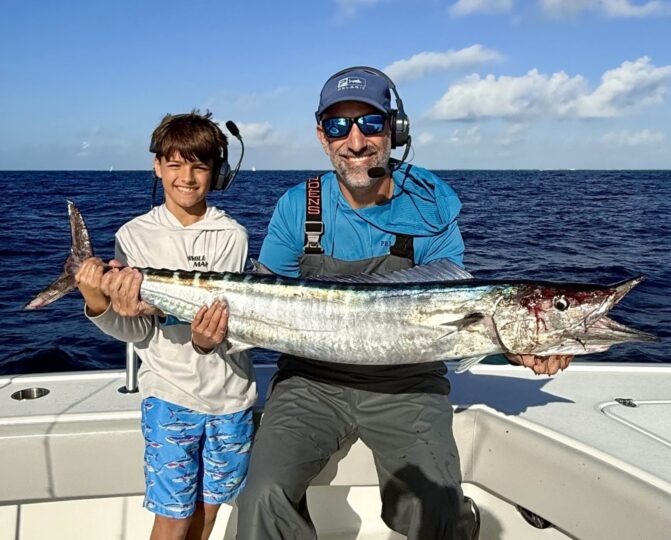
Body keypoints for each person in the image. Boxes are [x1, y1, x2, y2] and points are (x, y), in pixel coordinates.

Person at [235, 67, 572, 540]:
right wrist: (212, 333)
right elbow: (258, 300)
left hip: (408, 380)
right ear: (321, 136)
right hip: (311, 381)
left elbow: (456, 327)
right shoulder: (298, 205)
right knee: (262, 495)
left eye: (370, 124)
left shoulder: (431, 210)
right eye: (338, 126)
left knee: (434, 504)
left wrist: (513, 348)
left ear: (395, 130)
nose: (355, 141)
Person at [75, 111, 256, 540]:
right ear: (157, 167)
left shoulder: (233, 235)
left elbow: (221, 327)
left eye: (199, 165)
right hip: (170, 396)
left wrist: (204, 341)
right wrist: (98, 300)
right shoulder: (134, 234)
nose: (187, 177)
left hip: (231, 398)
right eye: (174, 164)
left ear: (217, 172)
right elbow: (139, 332)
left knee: (208, 513)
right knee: (173, 519)